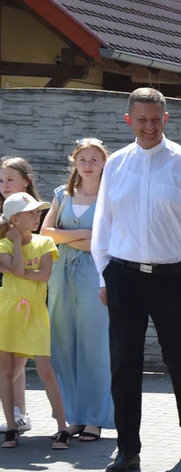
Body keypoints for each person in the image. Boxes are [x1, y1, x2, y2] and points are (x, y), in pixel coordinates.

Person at [93, 88, 181, 472]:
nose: (149, 126)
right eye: (141, 119)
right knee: (124, 362)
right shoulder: (116, 164)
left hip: (172, 276)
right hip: (123, 275)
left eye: (155, 119)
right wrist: (104, 275)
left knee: (179, 357)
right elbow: (103, 223)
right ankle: (127, 448)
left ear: (165, 120)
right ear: (129, 120)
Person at [41, 139, 113, 442]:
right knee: (63, 345)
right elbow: (45, 233)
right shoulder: (62, 194)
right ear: (75, 162)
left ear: (103, 163)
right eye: (82, 159)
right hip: (60, 276)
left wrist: (67, 236)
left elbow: (106, 242)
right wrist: (84, 233)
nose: (88, 164)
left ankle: (95, 418)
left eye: (94, 159)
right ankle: (73, 417)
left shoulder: (111, 197)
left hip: (96, 276)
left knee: (94, 347)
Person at [0, 192, 69, 449]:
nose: (37, 216)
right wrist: (16, 244)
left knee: (45, 370)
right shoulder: (4, 243)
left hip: (36, 312)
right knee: (6, 372)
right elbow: (21, 270)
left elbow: (43, 276)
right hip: (7, 312)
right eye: (31, 212)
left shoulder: (45, 243)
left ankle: (62, 428)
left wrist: (16, 268)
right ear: (15, 219)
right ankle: (11, 428)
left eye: (38, 211)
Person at [0, 156, 43, 434]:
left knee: (18, 357)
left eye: (10, 179)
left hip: (23, 294)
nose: (4, 185)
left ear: (26, 181)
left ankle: (18, 413)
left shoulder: (30, 216)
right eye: (1, 180)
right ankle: (15, 413)